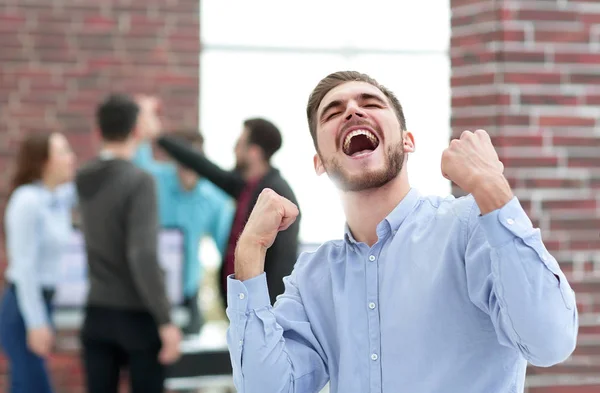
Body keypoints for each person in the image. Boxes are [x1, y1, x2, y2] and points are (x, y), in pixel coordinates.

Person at [225, 71, 579, 393]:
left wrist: (493, 189)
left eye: (370, 103)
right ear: (320, 164)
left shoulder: (471, 225)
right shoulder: (314, 277)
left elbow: (549, 341)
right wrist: (250, 254)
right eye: (333, 112)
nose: (352, 111)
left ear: (407, 141)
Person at [75, 94, 181, 393]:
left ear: (98, 132)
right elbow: (143, 255)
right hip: (137, 318)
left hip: (96, 313)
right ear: (137, 131)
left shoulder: (82, 177)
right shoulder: (139, 181)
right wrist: (166, 320)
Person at [156, 118, 299, 307]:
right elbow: (201, 165)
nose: (234, 150)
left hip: (261, 310)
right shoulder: (244, 186)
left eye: (239, 144)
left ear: (254, 152)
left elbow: (282, 260)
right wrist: (159, 137)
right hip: (239, 306)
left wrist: (268, 313)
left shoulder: (276, 194)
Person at [133, 117, 234, 335]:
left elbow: (227, 246)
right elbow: (137, 162)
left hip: (188, 292)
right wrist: (145, 120)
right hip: (149, 291)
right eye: (183, 159)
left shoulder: (214, 198)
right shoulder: (154, 180)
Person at [0, 132, 76, 393]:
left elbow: (92, 182)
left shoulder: (58, 196)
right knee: (33, 386)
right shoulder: (27, 201)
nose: (71, 158)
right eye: (63, 152)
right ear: (44, 161)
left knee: (27, 384)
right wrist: (36, 322)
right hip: (24, 306)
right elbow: (24, 268)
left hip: (45, 302)